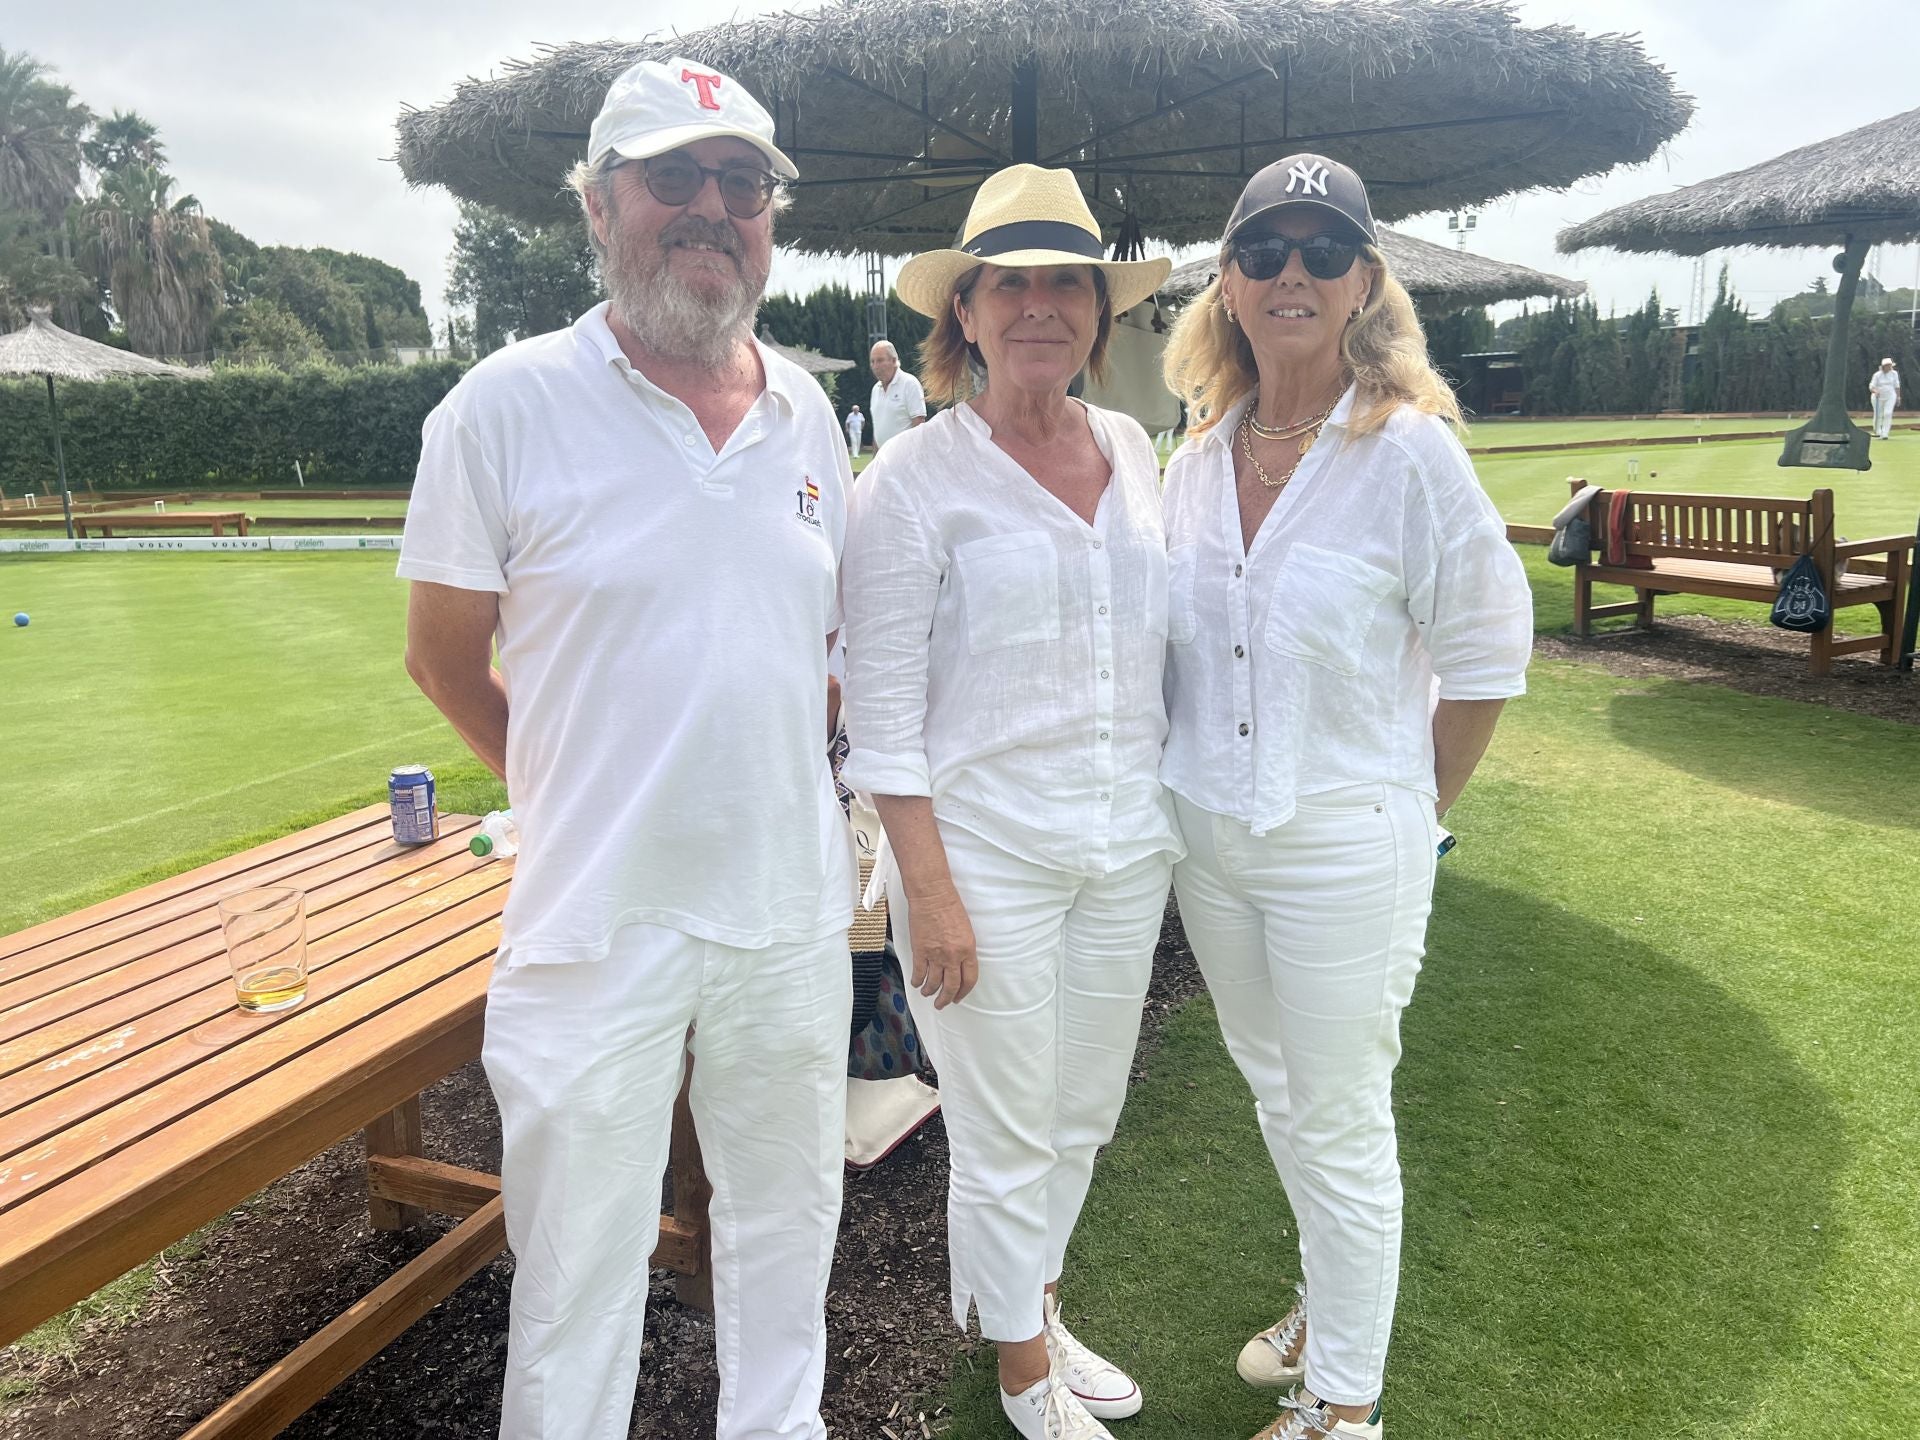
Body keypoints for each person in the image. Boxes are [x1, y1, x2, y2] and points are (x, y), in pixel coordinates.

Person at [397, 55, 854, 1440]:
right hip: (593, 928)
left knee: (784, 1247)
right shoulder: (503, 407)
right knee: (579, 1286)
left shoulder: (811, 414)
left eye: (743, 185)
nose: (712, 208)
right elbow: (439, 655)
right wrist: (572, 785)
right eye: (674, 178)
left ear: (770, 218)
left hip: (785, 918)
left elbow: (817, 659)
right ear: (600, 206)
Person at [1158, 154, 1533, 1440]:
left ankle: (1345, 1408)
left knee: (1341, 1111)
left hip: (1347, 849)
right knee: (1278, 1092)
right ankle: (1330, 1304)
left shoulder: (1410, 454)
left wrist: (1410, 818)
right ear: (1230, 282)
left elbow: (1485, 656)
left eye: (1324, 252)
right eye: (1265, 252)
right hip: (1211, 843)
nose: (1293, 275)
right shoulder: (1197, 456)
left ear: (1367, 280)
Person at [840, 164, 1177, 1440]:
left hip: (1125, 846)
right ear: (964, 317)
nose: (1040, 306)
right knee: (1002, 1125)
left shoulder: (1139, 450)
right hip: (981, 861)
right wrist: (927, 893)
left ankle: (1032, 1303)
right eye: (1010, 286)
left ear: (1097, 310)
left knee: (1081, 1112)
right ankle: (1022, 1373)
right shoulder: (911, 482)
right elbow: (880, 717)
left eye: (1064, 284)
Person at [869, 338, 928, 446]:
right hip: (884, 459)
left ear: (893, 360)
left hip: (906, 458)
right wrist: (876, 460)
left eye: (880, 360)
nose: (875, 366)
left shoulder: (909, 383)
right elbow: (877, 430)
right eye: (872, 361)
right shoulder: (875, 390)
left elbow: (919, 424)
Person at [1869, 357, 1901, 439]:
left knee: (1888, 413)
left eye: (1890, 365)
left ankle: (1885, 433)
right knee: (1878, 414)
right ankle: (1877, 431)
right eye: (1887, 365)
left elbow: (1897, 386)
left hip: (1890, 396)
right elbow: (1871, 386)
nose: (1889, 367)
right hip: (1877, 397)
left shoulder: (1894, 374)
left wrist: (1898, 397)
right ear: (1883, 366)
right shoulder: (1877, 375)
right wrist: (1875, 391)